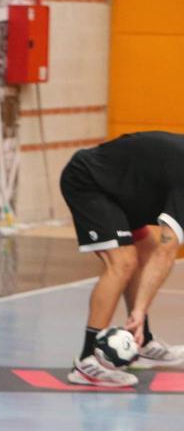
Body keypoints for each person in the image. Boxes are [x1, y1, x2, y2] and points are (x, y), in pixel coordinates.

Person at [60, 132, 184, 387]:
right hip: (89, 182)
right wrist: (138, 310)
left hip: (123, 191)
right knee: (124, 262)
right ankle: (87, 361)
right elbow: (166, 251)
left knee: (145, 249)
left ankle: (142, 342)